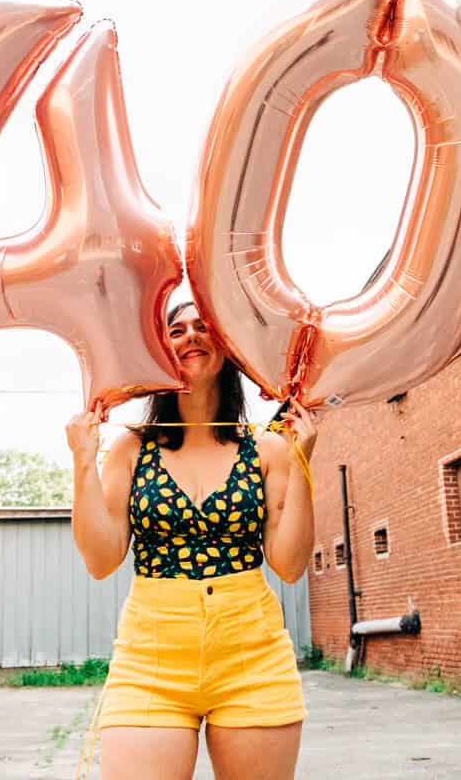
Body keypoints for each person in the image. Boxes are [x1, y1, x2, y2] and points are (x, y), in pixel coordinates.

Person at [66, 300, 318, 780]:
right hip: (152, 659)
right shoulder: (131, 449)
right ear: (161, 349)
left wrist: (302, 461)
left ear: (225, 347)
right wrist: (83, 463)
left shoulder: (266, 448)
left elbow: (288, 564)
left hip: (251, 653)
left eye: (204, 326)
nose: (189, 336)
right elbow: (101, 560)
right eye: (175, 330)